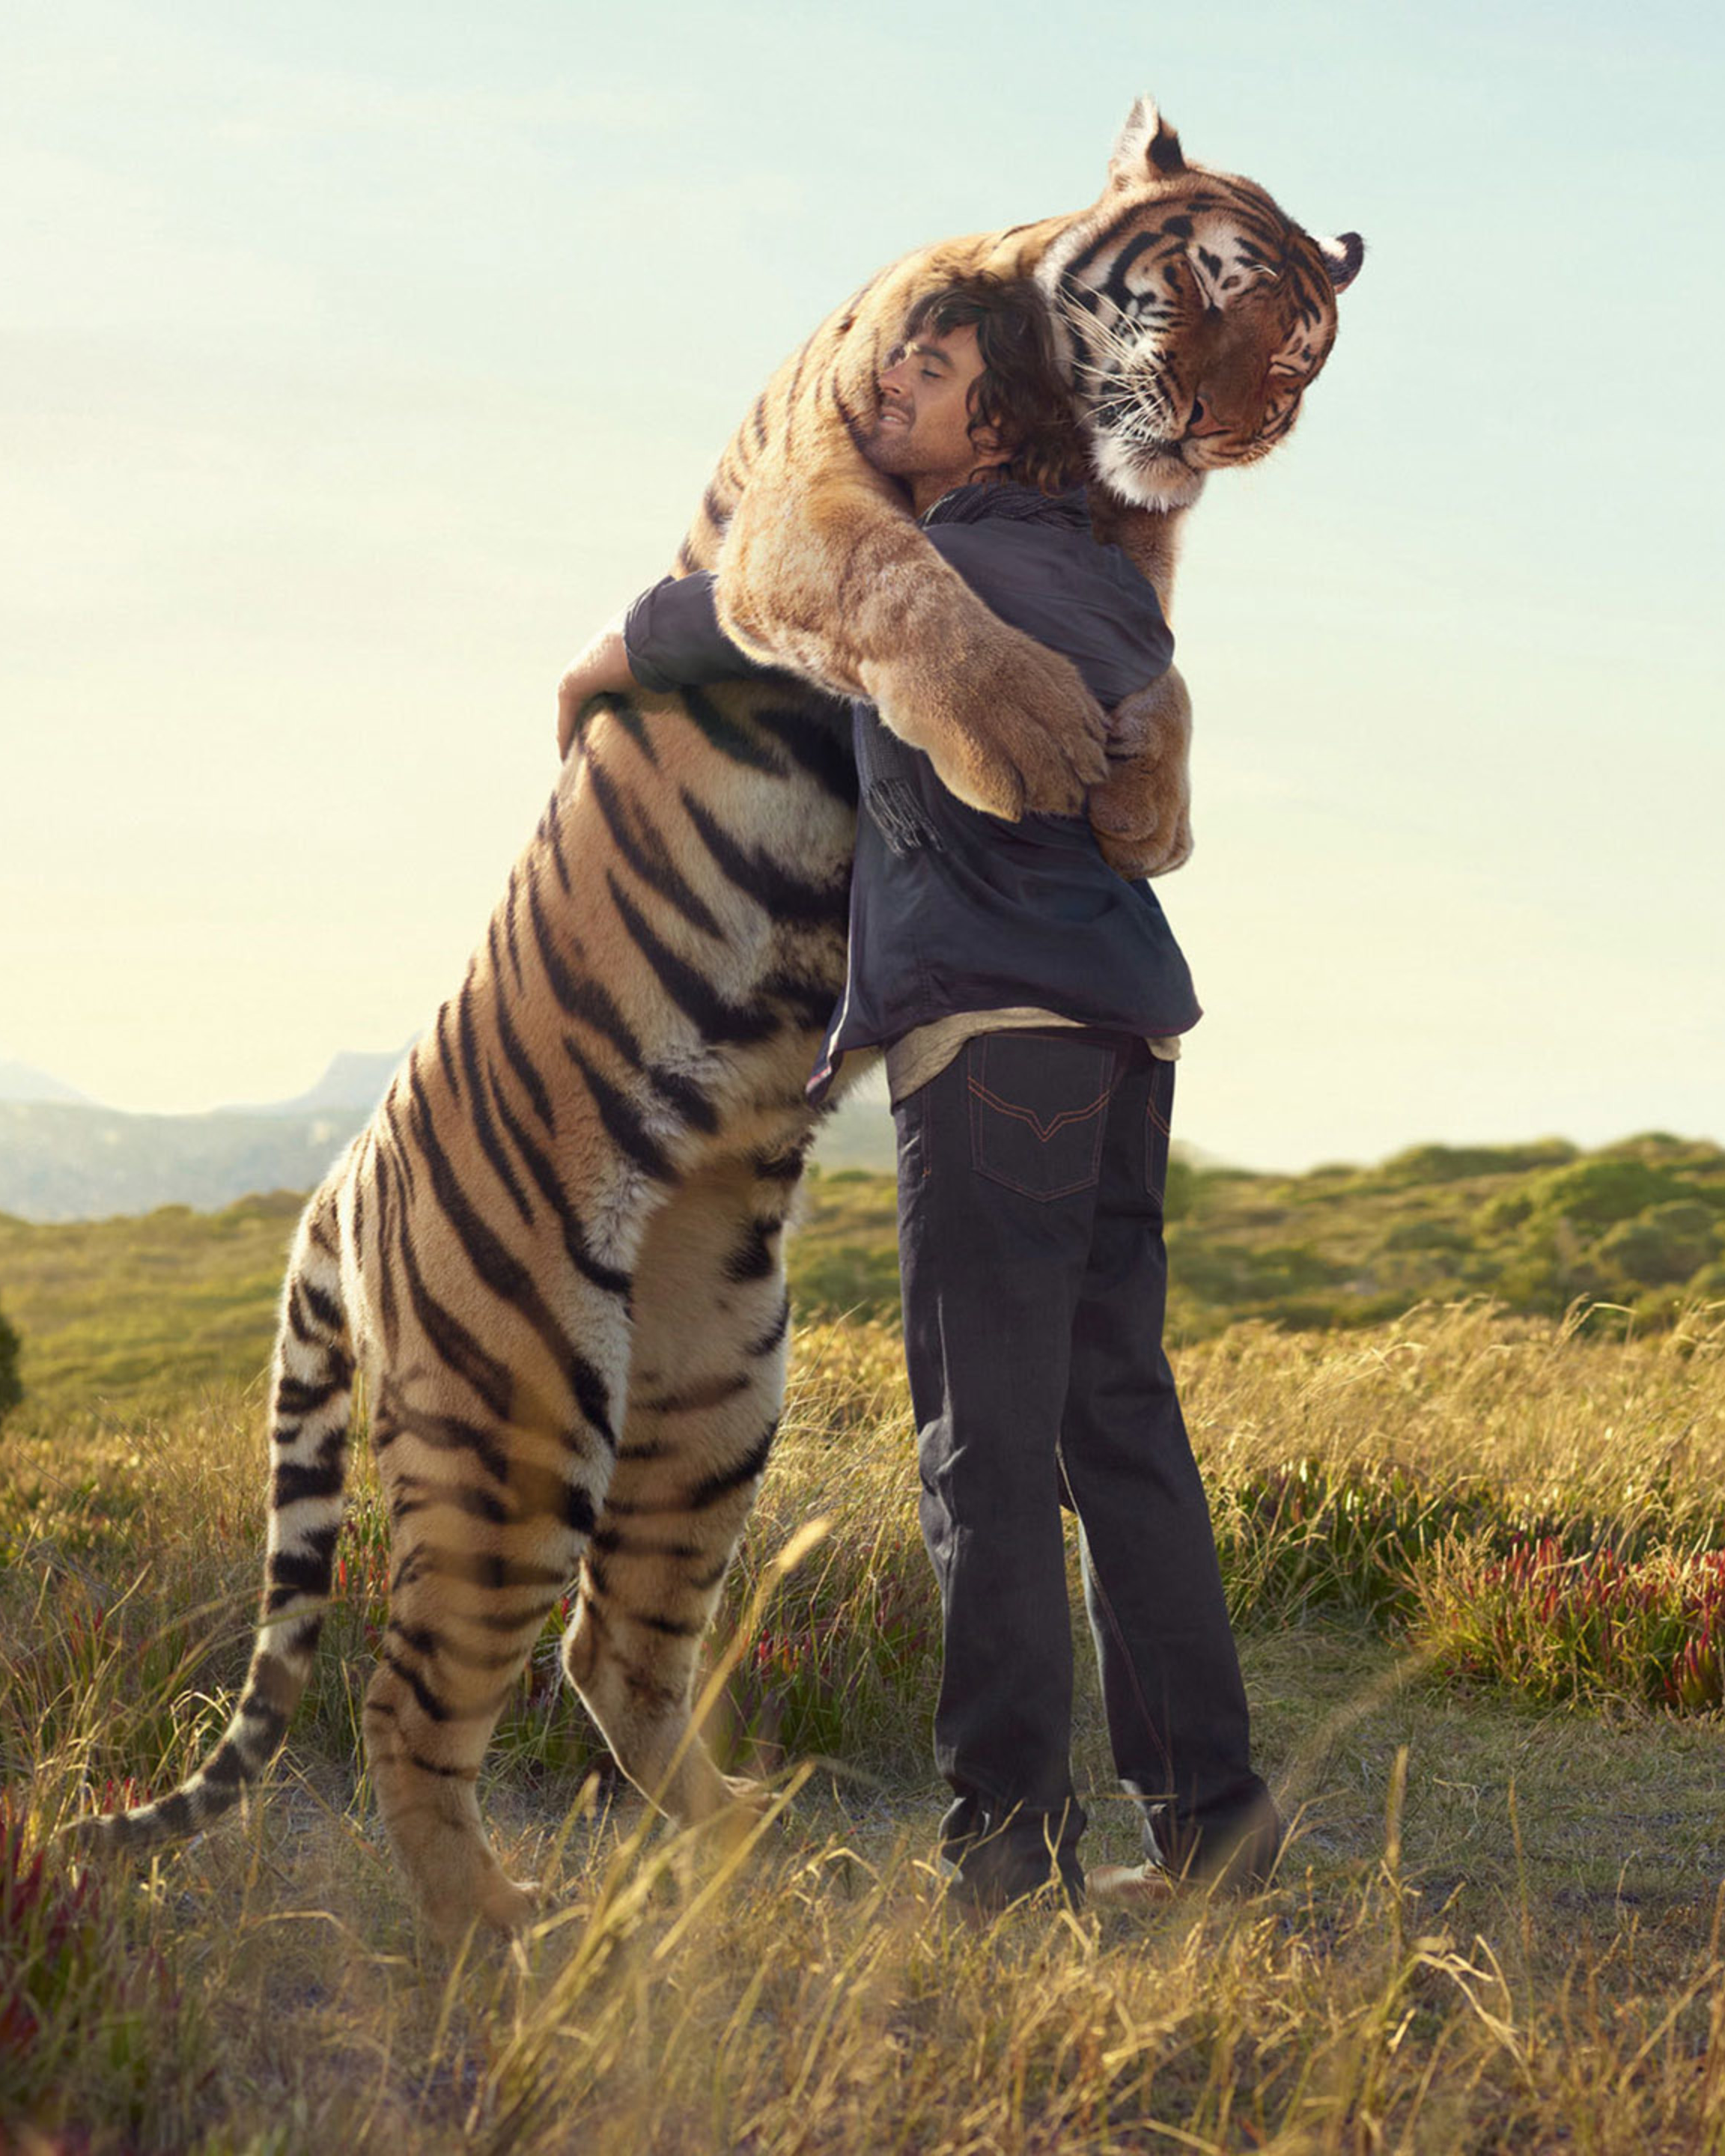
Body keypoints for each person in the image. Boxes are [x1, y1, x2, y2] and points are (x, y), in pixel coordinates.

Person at [553, 277, 1281, 1914]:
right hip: (1122, 1033)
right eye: (893, 360)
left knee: (984, 1456)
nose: (890, 389)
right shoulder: (1102, 577)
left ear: (1004, 423)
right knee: (1124, 1439)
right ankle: (1213, 1832)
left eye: (935, 374)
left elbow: (761, 601)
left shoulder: (934, 569)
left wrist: (603, 655)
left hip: (995, 1043)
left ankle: (1006, 1861)